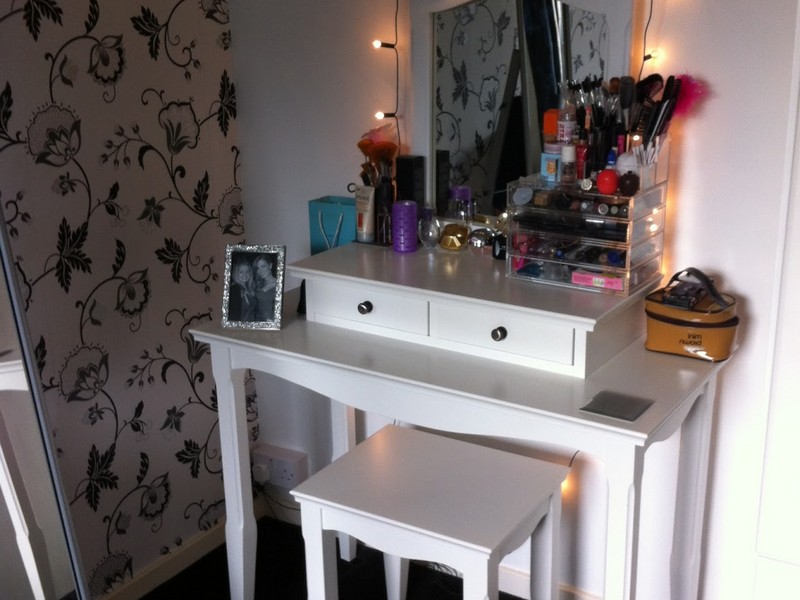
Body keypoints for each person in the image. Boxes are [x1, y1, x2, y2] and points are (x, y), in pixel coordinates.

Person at [253, 254, 277, 321]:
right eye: (258, 268)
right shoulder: (257, 283)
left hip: (269, 322)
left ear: (270, 266)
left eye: (263, 266)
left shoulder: (277, 285)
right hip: (256, 321)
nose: (260, 271)